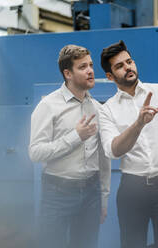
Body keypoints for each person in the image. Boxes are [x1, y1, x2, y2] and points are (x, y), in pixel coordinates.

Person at [98, 40, 158, 248]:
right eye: (120, 66)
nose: (128, 67)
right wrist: (138, 124)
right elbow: (113, 150)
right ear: (109, 76)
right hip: (132, 190)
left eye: (129, 61)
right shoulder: (107, 110)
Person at [28, 44, 111, 248]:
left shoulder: (98, 109)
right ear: (68, 73)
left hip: (91, 192)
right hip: (58, 193)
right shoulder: (48, 106)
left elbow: (104, 157)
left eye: (91, 65)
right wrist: (76, 136)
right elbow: (35, 152)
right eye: (82, 67)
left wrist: (104, 196)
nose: (90, 71)